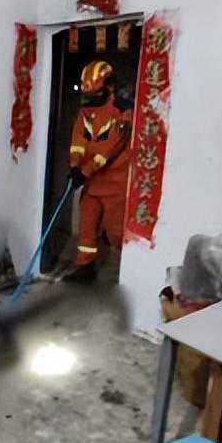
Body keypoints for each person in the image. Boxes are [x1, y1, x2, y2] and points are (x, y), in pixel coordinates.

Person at [66, 60, 132, 281]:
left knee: (116, 231)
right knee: (87, 223)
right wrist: (74, 166)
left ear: (109, 87)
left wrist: (84, 171)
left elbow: (108, 150)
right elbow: (77, 142)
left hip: (115, 183)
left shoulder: (121, 113)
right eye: (87, 96)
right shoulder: (84, 114)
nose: (89, 101)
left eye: (95, 95)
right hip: (92, 183)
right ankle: (85, 266)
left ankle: (127, 271)